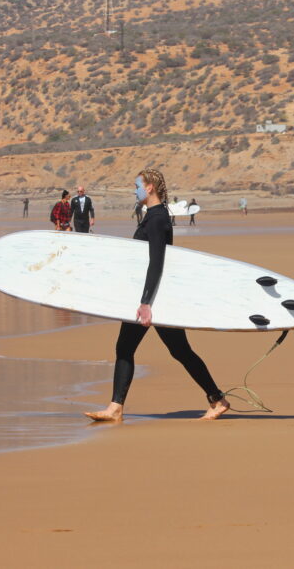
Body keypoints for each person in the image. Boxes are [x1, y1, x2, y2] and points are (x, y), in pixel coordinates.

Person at [85, 169, 230, 422]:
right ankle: (216, 398)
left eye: (137, 186)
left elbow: (157, 263)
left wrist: (145, 303)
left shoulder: (157, 219)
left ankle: (117, 407)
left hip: (156, 298)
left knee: (139, 348)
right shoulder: (153, 216)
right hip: (155, 296)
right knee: (174, 350)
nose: (135, 190)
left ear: (150, 187)